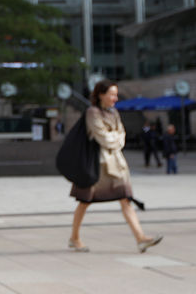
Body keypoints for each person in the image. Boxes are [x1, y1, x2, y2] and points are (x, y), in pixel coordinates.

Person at [68, 79, 162, 253]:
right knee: (85, 201)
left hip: (116, 164)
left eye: (116, 94)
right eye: (111, 94)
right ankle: (74, 238)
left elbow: (121, 136)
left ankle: (140, 238)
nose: (115, 98)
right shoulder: (92, 112)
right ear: (101, 95)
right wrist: (115, 138)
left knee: (125, 199)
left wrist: (115, 139)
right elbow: (103, 137)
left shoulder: (114, 113)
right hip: (96, 166)